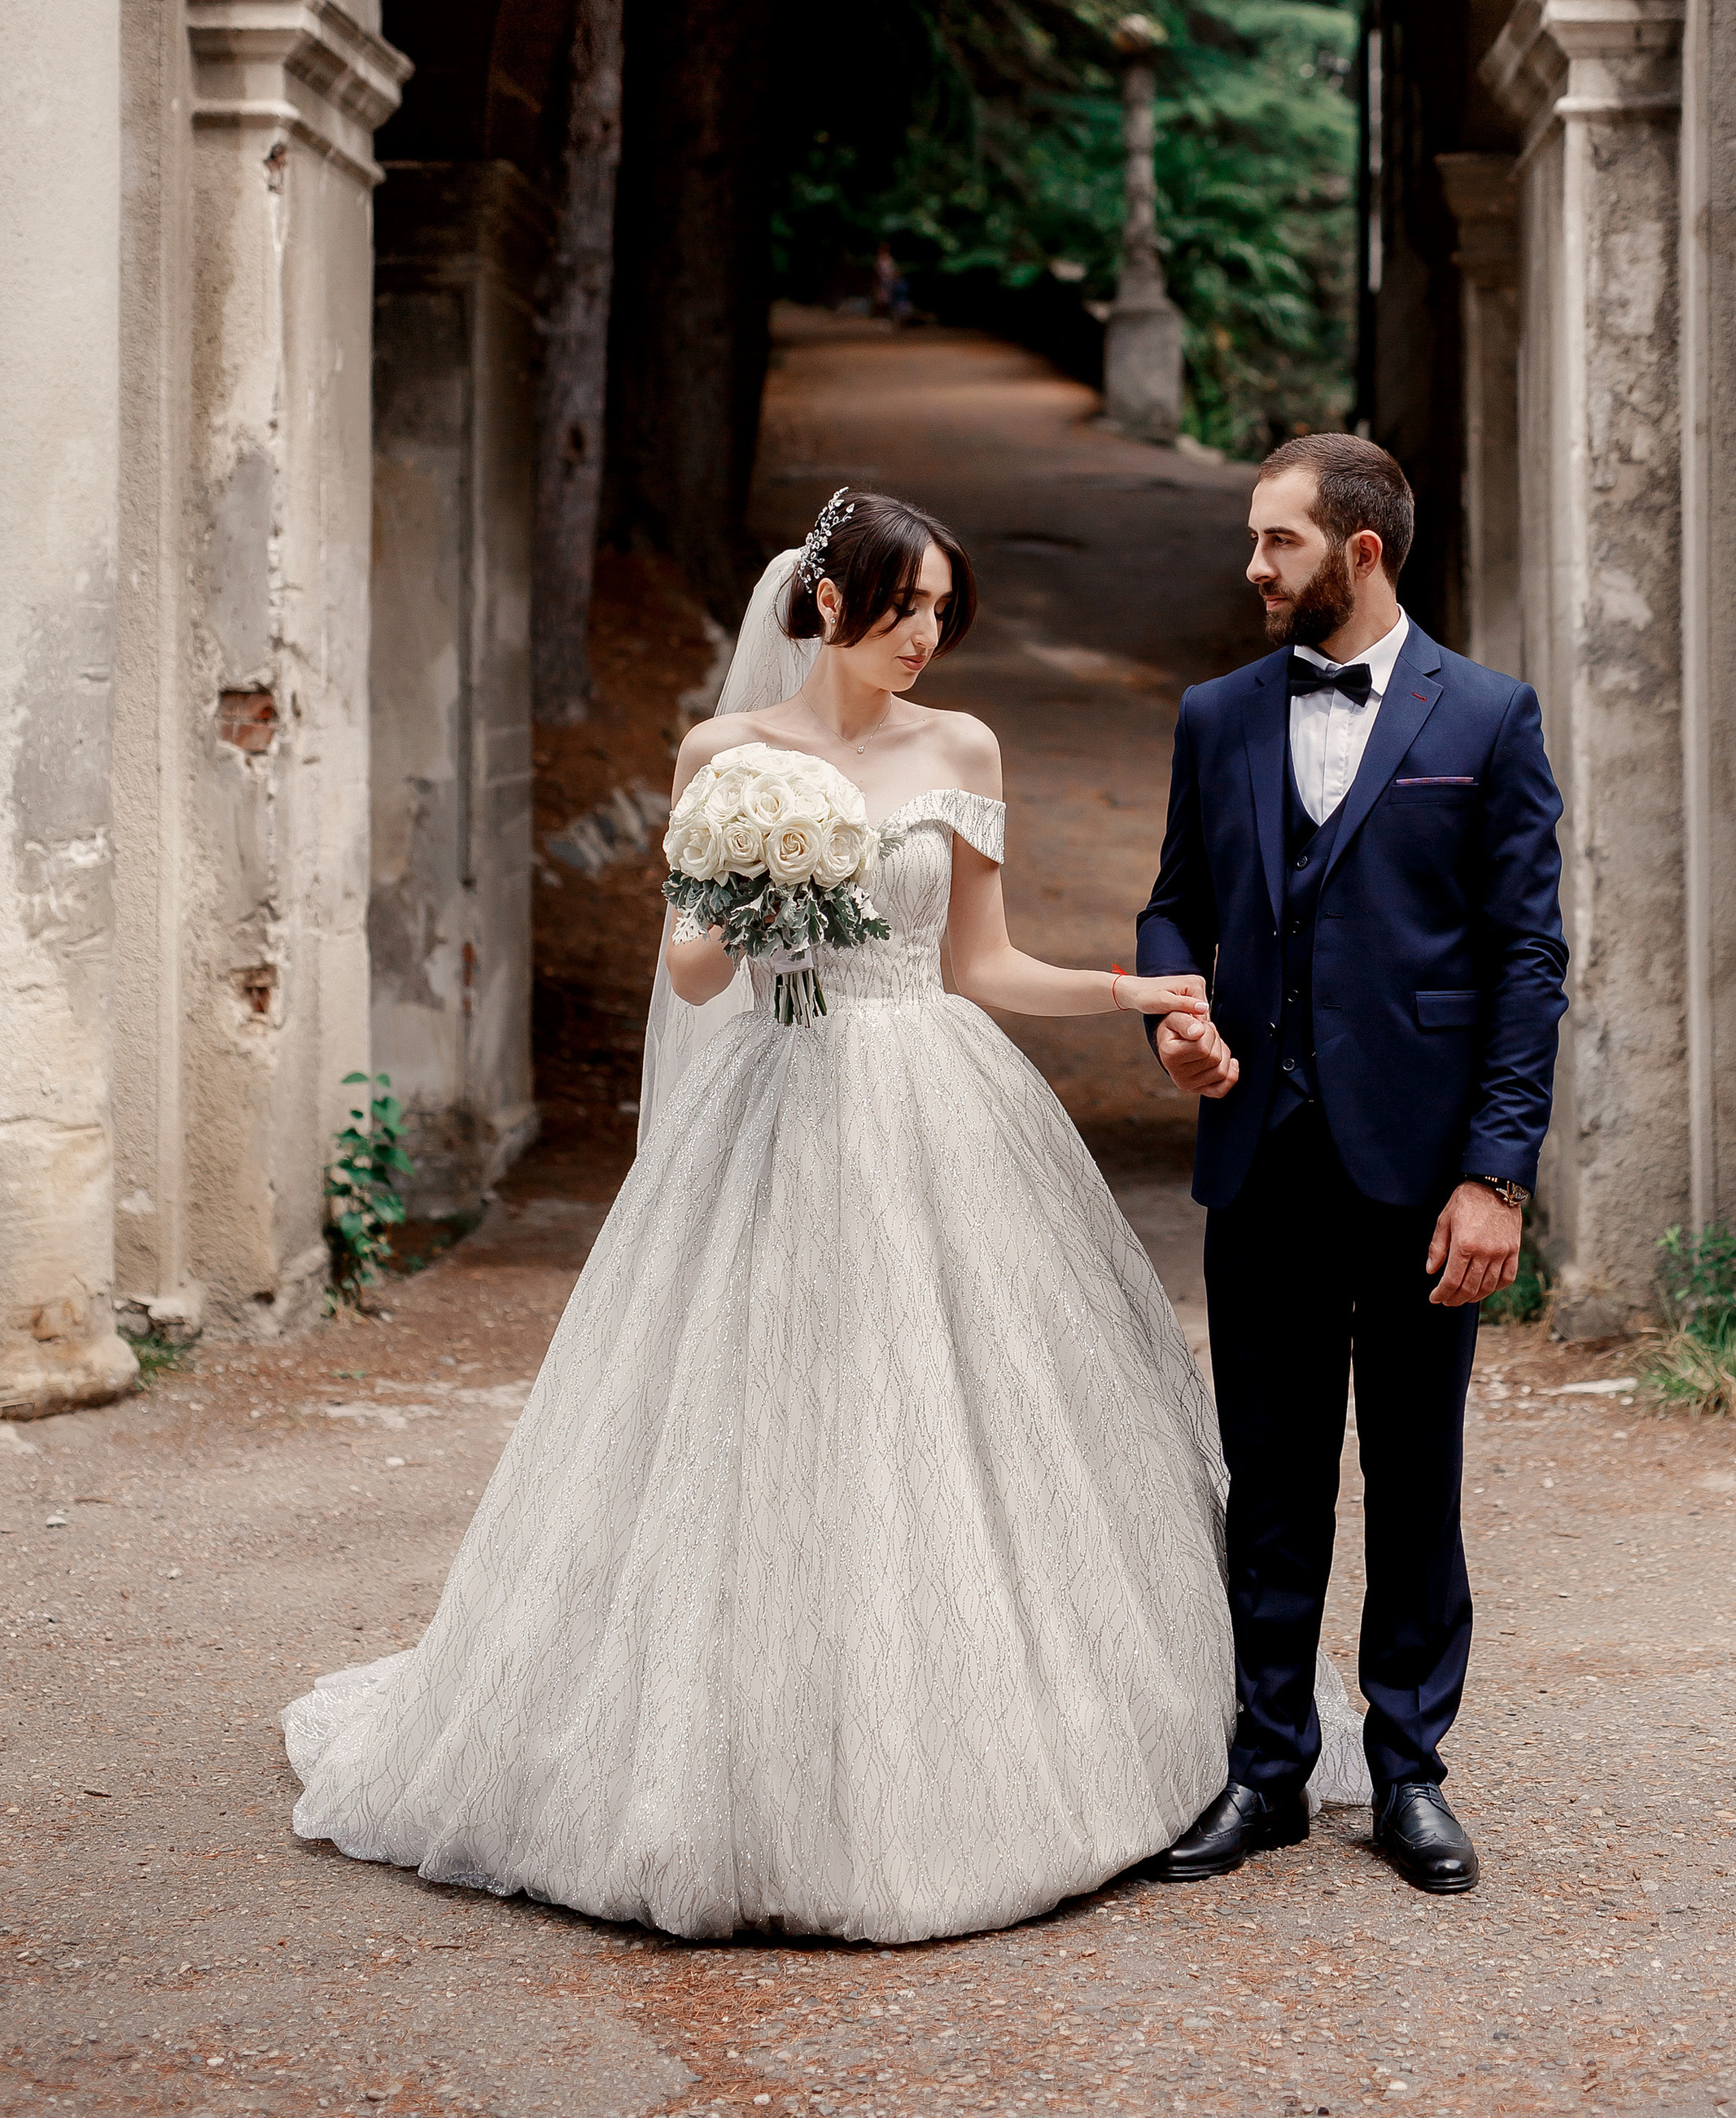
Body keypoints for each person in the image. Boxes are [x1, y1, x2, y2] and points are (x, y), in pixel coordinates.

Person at [284, 491, 1363, 1943]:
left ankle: (989, 1748)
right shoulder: (726, 759)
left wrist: (1131, 993)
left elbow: (979, 964)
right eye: (905, 607)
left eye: (942, 614)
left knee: (953, 1418)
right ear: (828, 603)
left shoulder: (961, 748)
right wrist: (740, 887)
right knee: (765, 1423)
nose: (926, 638)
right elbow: (689, 980)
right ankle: (740, 1765)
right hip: (781, 1101)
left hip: (937, 1094)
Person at [1136, 433, 1567, 1894]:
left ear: (1360, 551)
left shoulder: (1492, 718)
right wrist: (1179, 1022)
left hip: (1424, 1169)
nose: (1252, 568)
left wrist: (1497, 1175)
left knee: (1417, 1473)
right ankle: (1267, 1771)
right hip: (1262, 1154)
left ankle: (1409, 1773)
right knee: (1272, 1477)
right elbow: (1173, 910)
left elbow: (1526, 962)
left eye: (1278, 543)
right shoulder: (1217, 715)